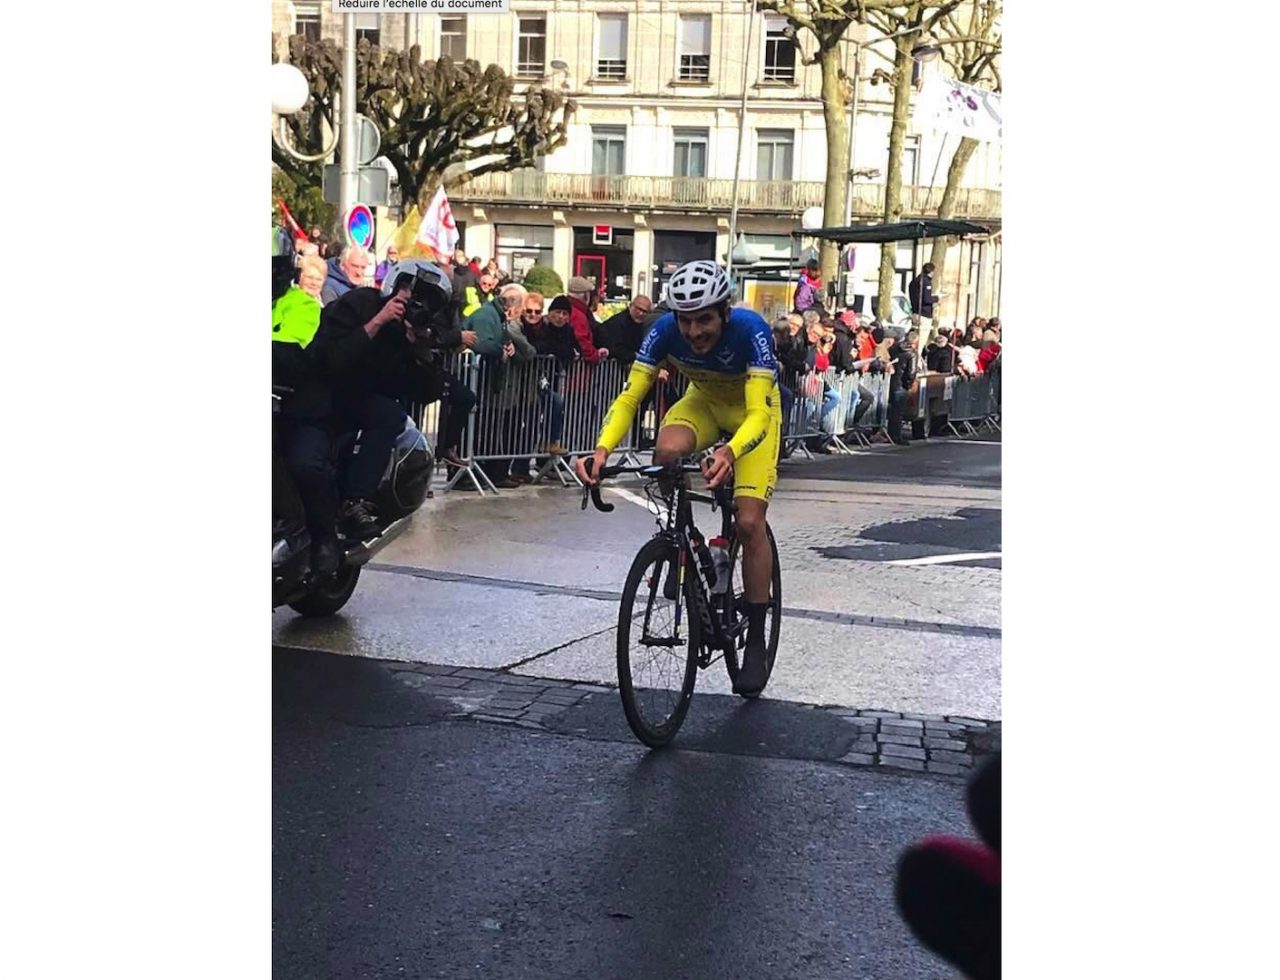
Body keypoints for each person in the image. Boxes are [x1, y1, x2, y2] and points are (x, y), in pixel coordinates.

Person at [576, 260, 781, 696]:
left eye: (704, 319)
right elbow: (631, 395)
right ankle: (681, 542)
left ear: (724, 312)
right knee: (666, 453)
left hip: (752, 416)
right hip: (703, 404)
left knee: (747, 522)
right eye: (685, 321)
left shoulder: (750, 330)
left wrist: (729, 450)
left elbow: (760, 412)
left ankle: (758, 638)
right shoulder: (662, 330)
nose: (693, 332)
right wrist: (601, 449)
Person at [309, 260, 472, 532]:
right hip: (324, 393)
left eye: (425, 301)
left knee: (390, 416)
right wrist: (377, 322)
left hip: (362, 401)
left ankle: (355, 500)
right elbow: (331, 358)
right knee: (306, 462)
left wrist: (418, 345)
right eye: (409, 291)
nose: (413, 301)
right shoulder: (360, 303)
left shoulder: (412, 331)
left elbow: (426, 391)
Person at [273, 254, 340, 574]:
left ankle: (320, 537)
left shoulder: (303, 306)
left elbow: (288, 355)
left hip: (298, 409)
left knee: (303, 463)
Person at [510, 292, 569, 482]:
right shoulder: (518, 326)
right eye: (529, 311)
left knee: (548, 409)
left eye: (537, 311)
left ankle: (549, 443)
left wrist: (545, 347)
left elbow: (561, 348)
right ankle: (519, 468)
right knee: (524, 426)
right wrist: (543, 348)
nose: (533, 315)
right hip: (519, 383)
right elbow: (529, 349)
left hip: (537, 382)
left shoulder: (546, 327)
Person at [597, 294, 654, 365]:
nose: (641, 313)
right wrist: (635, 356)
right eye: (638, 309)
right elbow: (616, 349)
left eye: (645, 312)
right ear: (631, 306)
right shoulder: (618, 322)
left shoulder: (640, 325)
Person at [565, 277, 609, 362]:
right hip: (577, 368)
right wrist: (595, 355)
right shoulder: (579, 315)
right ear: (585, 295)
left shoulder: (565, 308)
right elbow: (582, 340)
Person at [908, 263, 943, 345]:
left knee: (913, 340)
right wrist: (937, 298)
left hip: (915, 313)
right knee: (921, 341)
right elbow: (926, 299)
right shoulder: (926, 282)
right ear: (932, 272)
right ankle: (917, 356)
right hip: (924, 314)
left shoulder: (914, 281)